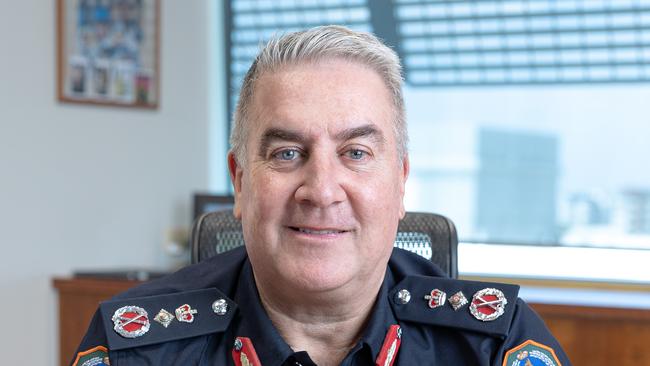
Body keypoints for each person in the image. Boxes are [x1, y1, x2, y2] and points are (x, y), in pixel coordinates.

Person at [71, 25, 571, 366]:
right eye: (288, 153)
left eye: (355, 152)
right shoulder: (136, 347)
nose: (322, 190)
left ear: (400, 183)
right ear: (240, 182)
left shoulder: (493, 345)